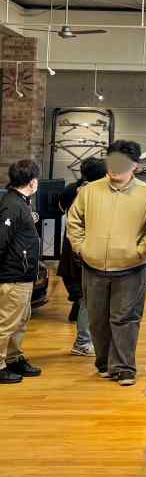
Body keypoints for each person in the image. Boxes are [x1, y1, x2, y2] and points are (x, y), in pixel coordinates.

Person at [67, 140, 146, 386]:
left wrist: (141, 252)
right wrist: (81, 248)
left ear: (135, 166)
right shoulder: (89, 191)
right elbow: (74, 221)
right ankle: (104, 363)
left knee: (125, 318)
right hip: (93, 266)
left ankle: (124, 368)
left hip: (131, 268)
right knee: (97, 319)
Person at [57, 156, 107, 357]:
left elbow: (62, 210)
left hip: (73, 250)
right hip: (85, 252)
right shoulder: (95, 194)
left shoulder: (71, 190)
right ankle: (83, 342)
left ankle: (86, 339)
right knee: (88, 298)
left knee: (84, 296)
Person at [0, 159, 43, 384]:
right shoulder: (12, 205)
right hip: (13, 276)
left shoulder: (20, 202)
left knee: (20, 321)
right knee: (7, 322)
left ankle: (13, 358)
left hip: (23, 275)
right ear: (33, 182)